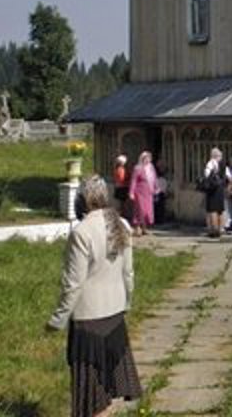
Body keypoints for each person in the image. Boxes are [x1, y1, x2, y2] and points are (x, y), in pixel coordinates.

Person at [47, 174, 141, 417]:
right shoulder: (120, 225)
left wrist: (57, 319)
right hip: (115, 317)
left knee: (90, 395)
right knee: (109, 390)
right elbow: (128, 273)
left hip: (89, 322)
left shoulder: (81, 232)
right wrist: (127, 303)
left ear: (84, 199)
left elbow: (73, 284)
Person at [128, 151, 156, 236]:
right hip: (140, 192)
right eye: (146, 158)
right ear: (142, 159)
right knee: (140, 210)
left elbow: (154, 179)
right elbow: (133, 181)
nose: (147, 160)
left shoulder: (151, 168)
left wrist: (156, 188)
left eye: (149, 158)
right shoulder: (138, 168)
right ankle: (137, 228)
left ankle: (145, 228)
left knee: (148, 211)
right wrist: (131, 192)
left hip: (148, 192)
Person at [200, 148, 226, 239]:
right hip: (220, 188)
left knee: (212, 210)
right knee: (220, 210)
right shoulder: (223, 164)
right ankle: (220, 229)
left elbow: (206, 174)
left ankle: (214, 231)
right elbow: (228, 176)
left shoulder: (211, 163)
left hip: (212, 188)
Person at [111, 155, 130, 219]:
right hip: (122, 187)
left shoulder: (117, 168)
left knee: (121, 203)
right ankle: (122, 215)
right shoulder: (121, 169)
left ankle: (121, 215)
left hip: (119, 187)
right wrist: (128, 178)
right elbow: (122, 179)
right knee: (122, 203)